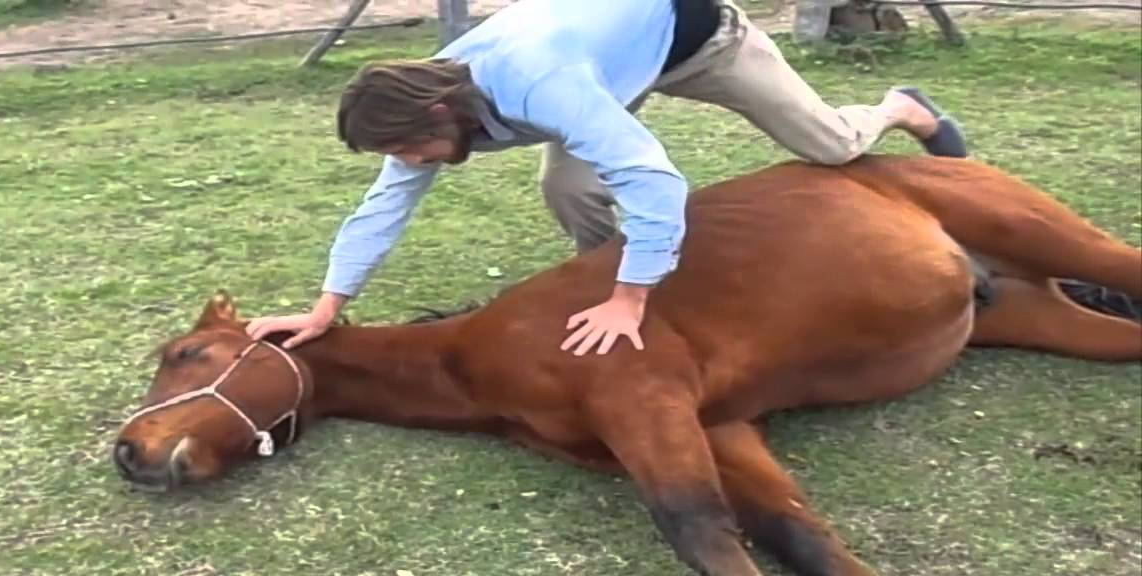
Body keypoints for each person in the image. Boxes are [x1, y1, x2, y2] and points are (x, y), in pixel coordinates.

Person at [246, 0, 966, 356]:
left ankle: (900, 106)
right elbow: (383, 207)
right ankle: (611, 282)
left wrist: (631, 300)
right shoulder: (421, 113)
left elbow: (654, 181)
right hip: (602, 65)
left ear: (441, 108)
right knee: (567, 187)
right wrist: (323, 309)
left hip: (700, 40)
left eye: (411, 148)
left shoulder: (539, 87)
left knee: (833, 146)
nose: (408, 164)